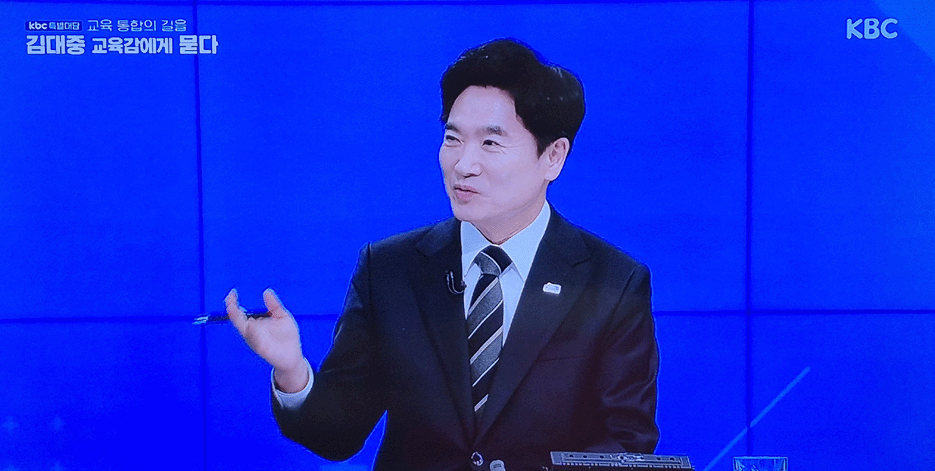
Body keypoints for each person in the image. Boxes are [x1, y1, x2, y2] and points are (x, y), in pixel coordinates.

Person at [225, 38, 659, 471]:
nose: (463, 164)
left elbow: (625, 442)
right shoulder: (391, 269)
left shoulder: (612, 283)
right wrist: (293, 371)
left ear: (553, 157)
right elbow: (338, 434)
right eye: (453, 139)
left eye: (490, 144)